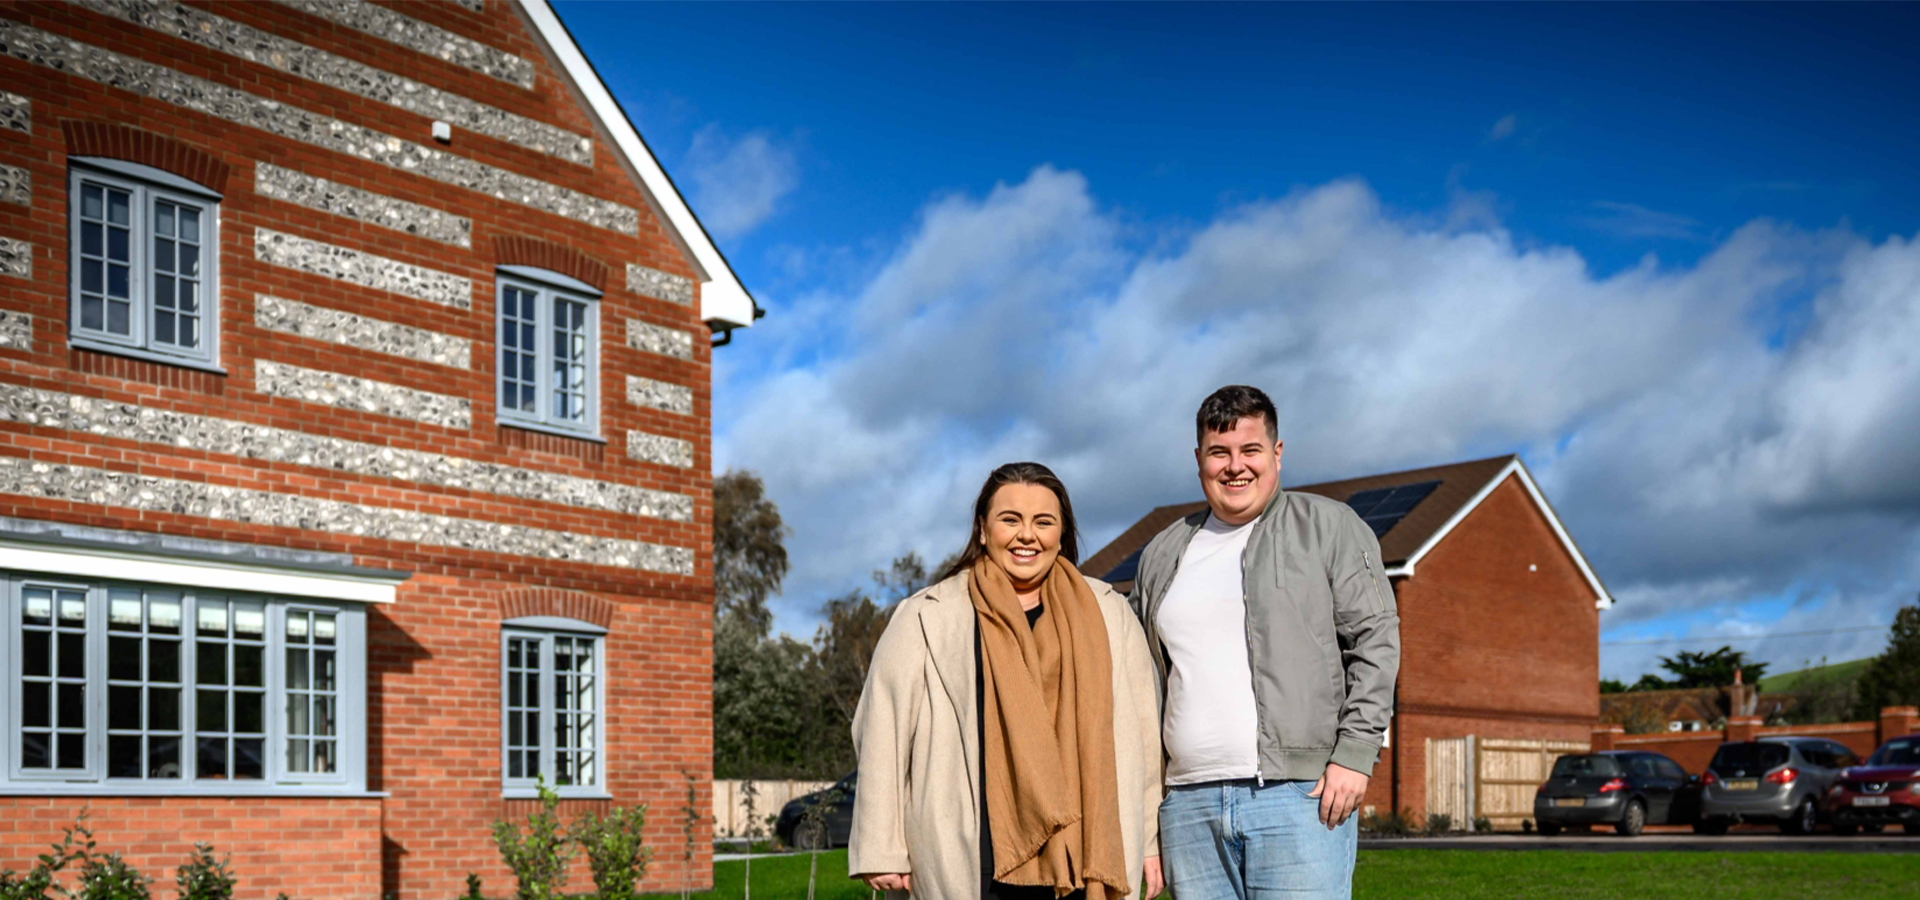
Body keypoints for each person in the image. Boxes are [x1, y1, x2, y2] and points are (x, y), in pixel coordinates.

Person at [1131, 385, 1400, 900]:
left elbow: (1376, 639)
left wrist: (1355, 754)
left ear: (1277, 452)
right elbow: (1138, 680)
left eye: (1250, 450)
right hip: (1187, 807)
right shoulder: (1162, 552)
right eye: (1219, 452)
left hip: (1300, 797)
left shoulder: (1329, 527)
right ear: (1198, 459)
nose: (1235, 466)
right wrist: (1149, 810)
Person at [850, 462, 1164, 900]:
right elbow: (882, 730)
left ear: (1062, 533)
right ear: (983, 530)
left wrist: (1149, 839)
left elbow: (1146, 737)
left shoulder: (1110, 613)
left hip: (1085, 856)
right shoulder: (926, 615)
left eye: (1043, 522)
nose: (1027, 535)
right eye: (1010, 520)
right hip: (972, 857)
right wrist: (881, 845)